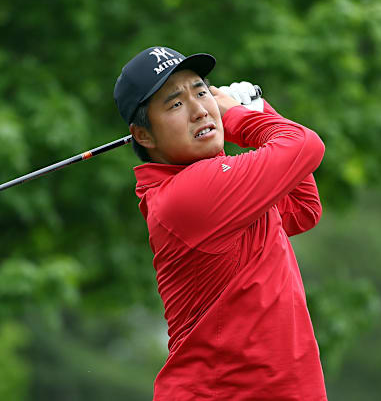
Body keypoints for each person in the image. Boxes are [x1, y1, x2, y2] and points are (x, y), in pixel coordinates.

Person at [113, 46, 327, 400]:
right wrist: (241, 117)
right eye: (176, 104)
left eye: (201, 92)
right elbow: (305, 145)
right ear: (144, 136)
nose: (199, 110)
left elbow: (303, 208)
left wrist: (260, 109)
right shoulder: (188, 195)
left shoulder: (226, 191)